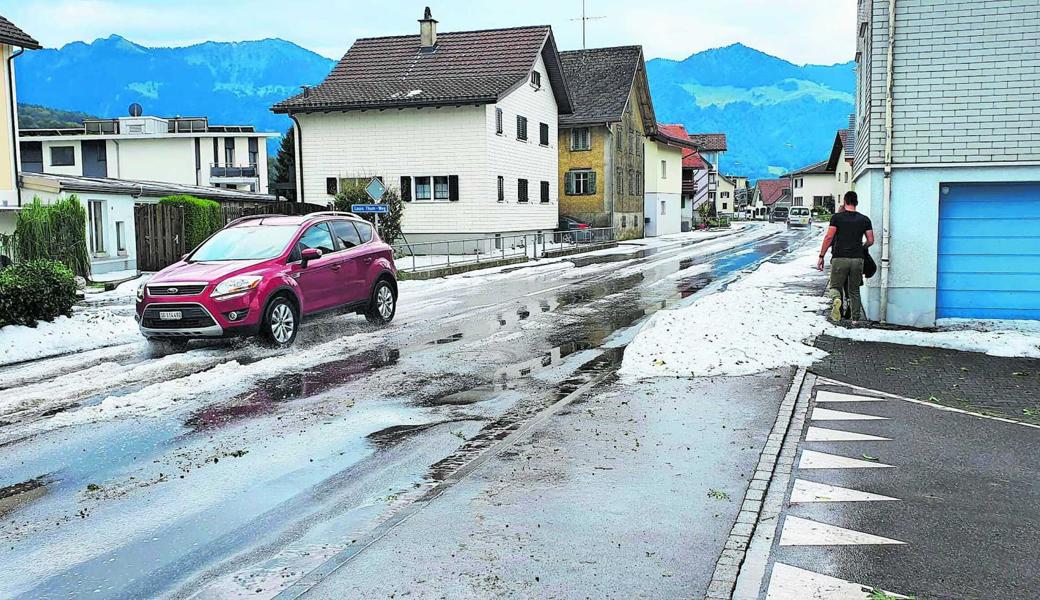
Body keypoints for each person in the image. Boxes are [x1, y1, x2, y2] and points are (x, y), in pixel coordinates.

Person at [816, 191, 874, 322]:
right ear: (856, 202)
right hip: (857, 259)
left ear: (845, 201)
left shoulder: (837, 218)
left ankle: (837, 299)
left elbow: (829, 237)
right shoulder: (864, 219)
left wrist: (821, 256)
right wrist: (861, 247)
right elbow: (870, 240)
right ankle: (855, 320)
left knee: (835, 287)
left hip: (839, 258)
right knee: (854, 290)